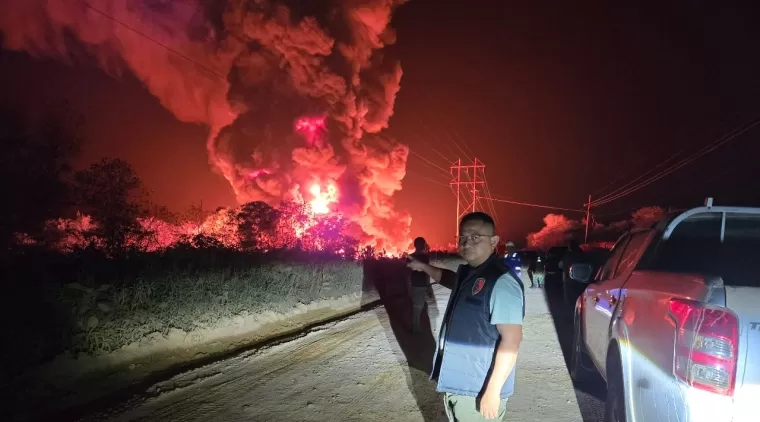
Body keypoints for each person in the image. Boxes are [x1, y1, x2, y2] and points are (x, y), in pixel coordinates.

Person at [407, 212, 524, 421]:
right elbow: (448, 278)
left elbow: (512, 340)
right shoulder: (469, 273)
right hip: (460, 384)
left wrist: (493, 391)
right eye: (462, 237)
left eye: (475, 237)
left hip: (479, 389)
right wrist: (424, 266)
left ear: (494, 242)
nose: (467, 242)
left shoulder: (501, 282)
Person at [408, 236, 431, 333]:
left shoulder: (410, 257)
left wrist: (408, 284)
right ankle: (415, 328)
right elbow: (427, 273)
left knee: (417, 305)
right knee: (418, 306)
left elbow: (407, 272)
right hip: (421, 284)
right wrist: (428, 286)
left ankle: (415, 326)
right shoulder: (425, 257)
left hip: (414, 284)